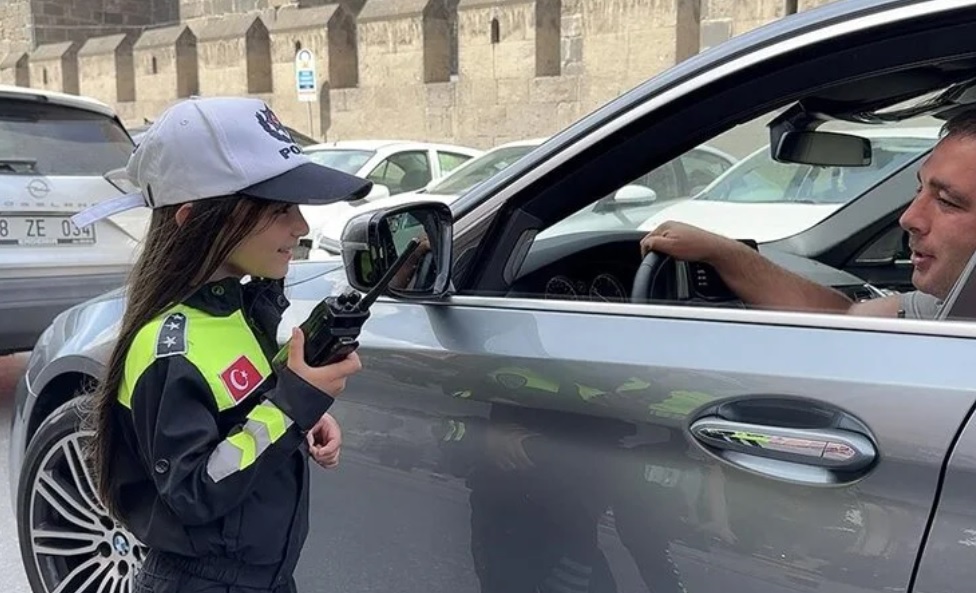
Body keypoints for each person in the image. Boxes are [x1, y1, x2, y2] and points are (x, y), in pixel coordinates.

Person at [77, 96, 373, 593]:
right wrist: (290, 405)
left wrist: (296, 414)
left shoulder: (232, 310)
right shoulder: (166, 349)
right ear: (194, 220)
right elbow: (194, 490)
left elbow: (233, 420)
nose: (300, 226)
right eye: (279, 208)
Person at [639, 109, 976, 319]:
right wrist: (723, 253)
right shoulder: (950, 307)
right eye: (919, 190)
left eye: (947, 201)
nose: (908, 218)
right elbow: (845, 316)